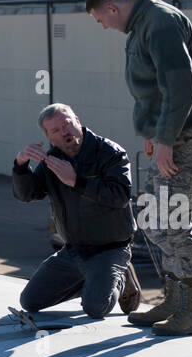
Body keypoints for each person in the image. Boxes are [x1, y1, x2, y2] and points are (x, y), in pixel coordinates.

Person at [87, 0, 192, 336]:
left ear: (112, 8)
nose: (104, 27)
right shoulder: (145, 24)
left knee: (171, 220)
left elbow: (181, 87)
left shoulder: (158, 21)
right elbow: (155, 87)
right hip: (169, 133)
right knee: (154, 216)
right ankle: (176, 299)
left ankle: (190, 309)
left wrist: (166, 138)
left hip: (184, 135)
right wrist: (152, 132)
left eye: (101, 20)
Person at [12, 104, 141, 319]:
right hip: (74, 250)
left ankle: (121, 275)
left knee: (95, 308)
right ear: (49, 138)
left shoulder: (109, 152)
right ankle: (95, 281)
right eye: (55, 130)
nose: (64, 132)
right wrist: (20, 165)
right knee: (30, 301)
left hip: (110, 249)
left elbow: (120, 196)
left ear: (77, 121)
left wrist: (76, 182)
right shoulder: (53, 159)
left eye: (67, 124)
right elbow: (27, 194)